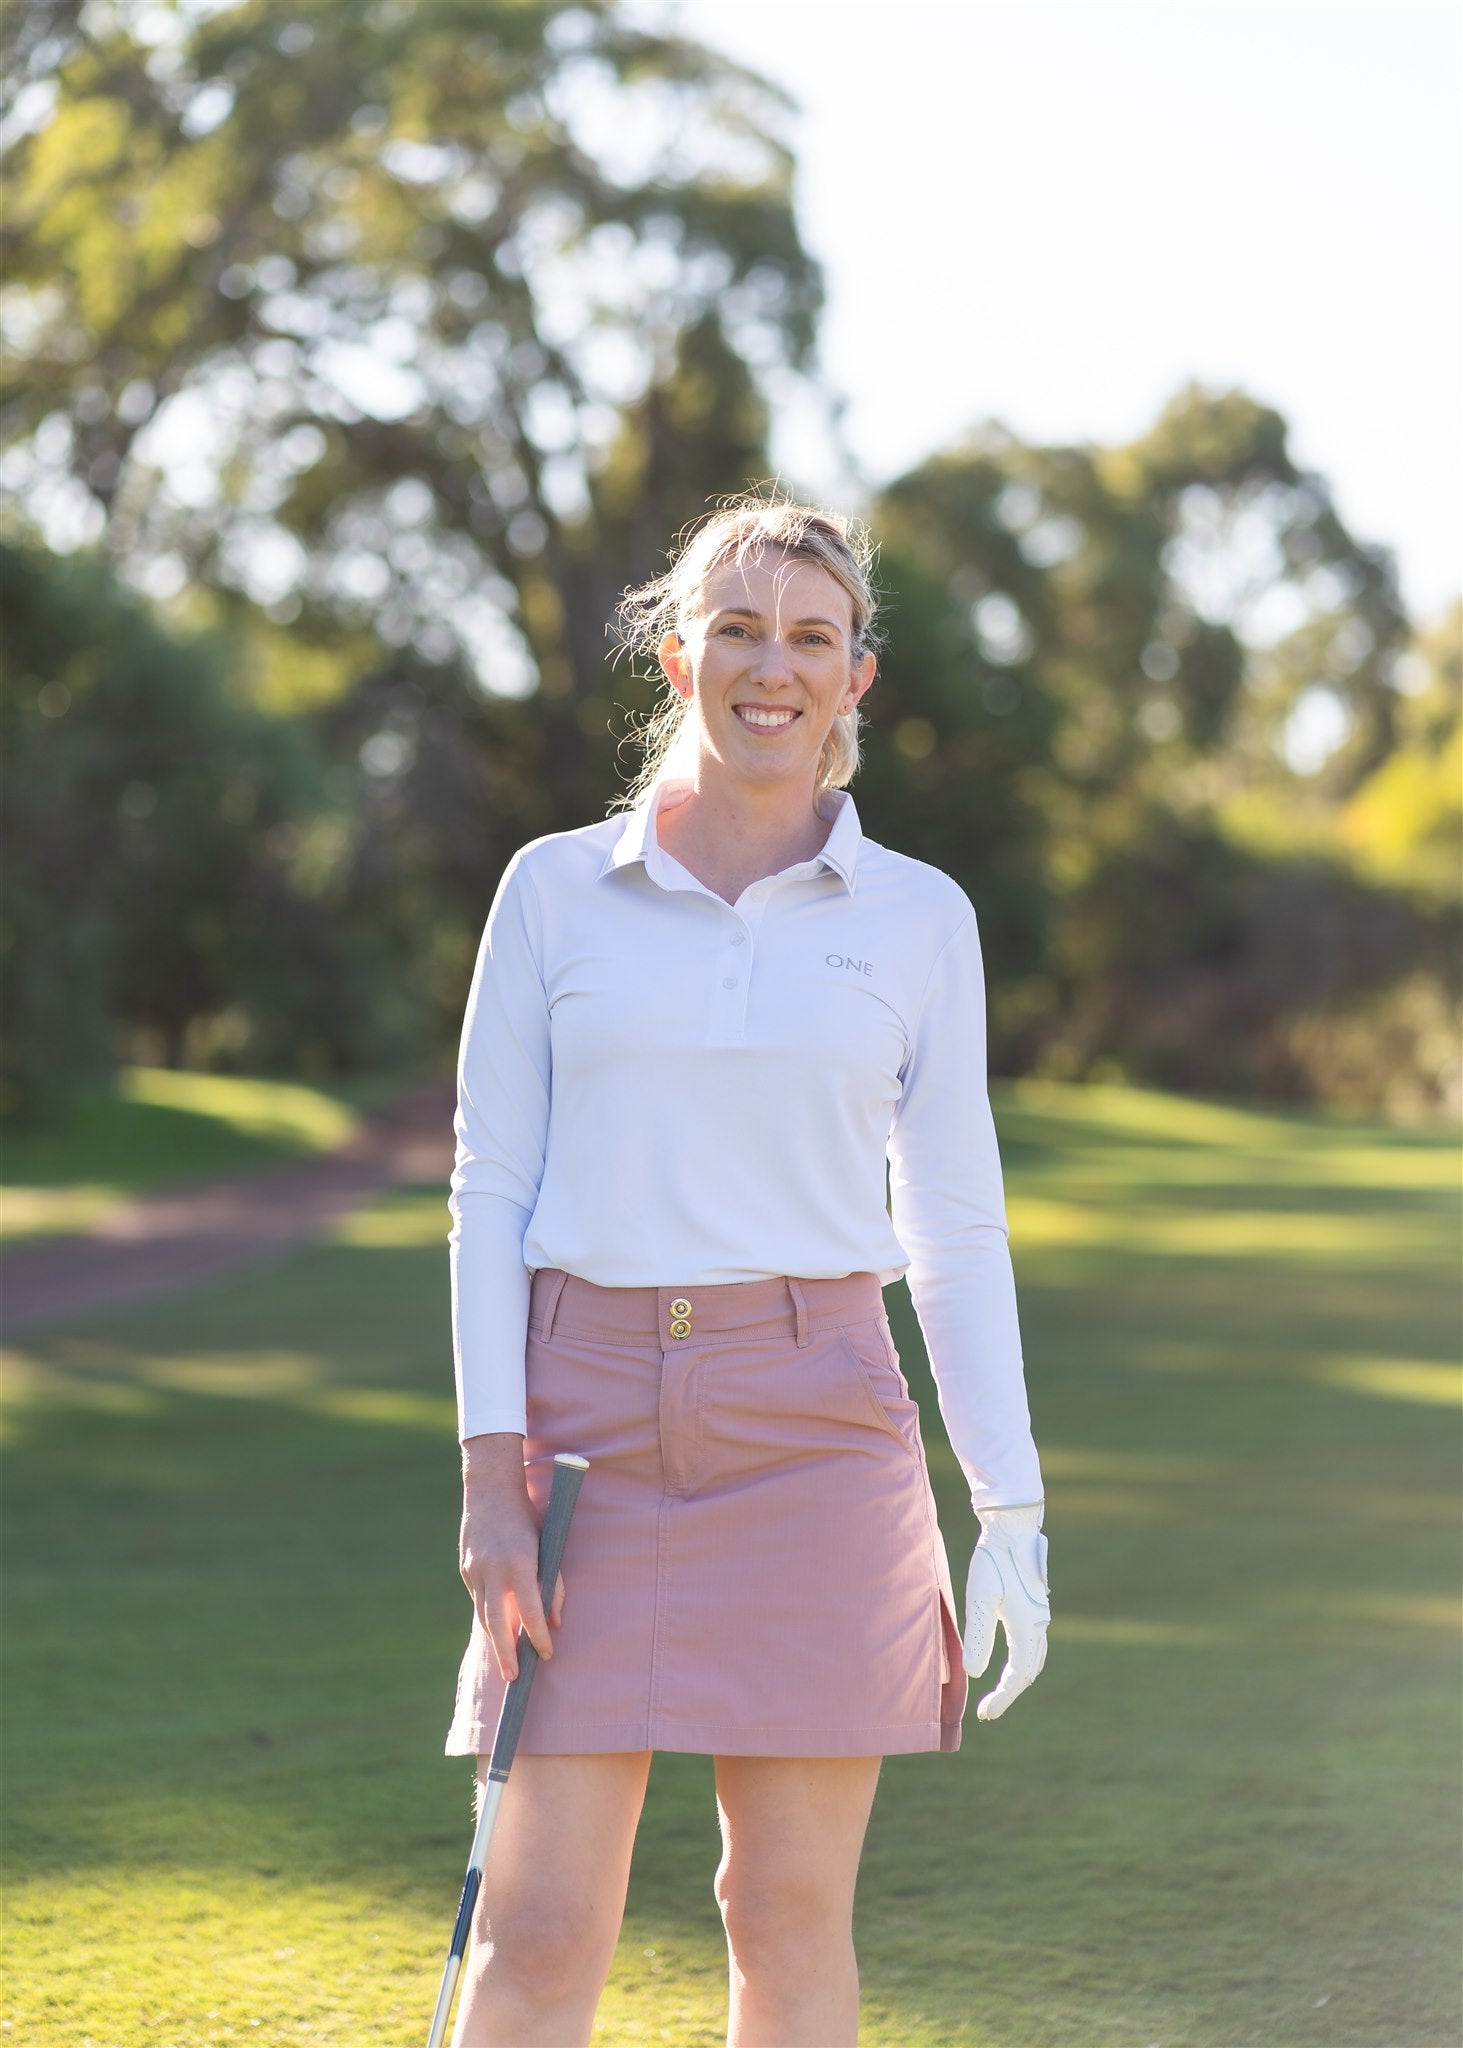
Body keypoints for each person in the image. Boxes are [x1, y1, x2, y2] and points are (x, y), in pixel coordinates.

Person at [443, 495, 1050, 2048]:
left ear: (856, 679)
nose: (769, 665)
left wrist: (1013, 1507)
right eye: (736, 628)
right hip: (581, 1429)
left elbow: (956, 1224)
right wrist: (488, 1475)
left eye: (809, 637)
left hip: (820, 1430)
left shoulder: (920, 919)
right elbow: (489, 1188)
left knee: (783, 1923)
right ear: (677, 654)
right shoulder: (551, 889)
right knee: (539, 1923)